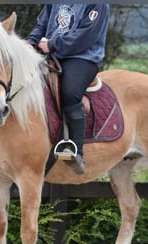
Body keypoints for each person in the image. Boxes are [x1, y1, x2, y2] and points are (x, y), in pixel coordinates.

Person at [26, 4, 110, 175]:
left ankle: (76, 151)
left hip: (83, 57)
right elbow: (42, 24)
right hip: (52, 54)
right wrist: (31, 42)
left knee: (69, 92)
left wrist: (52, 43)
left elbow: (86, 37)